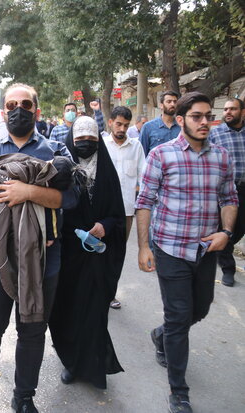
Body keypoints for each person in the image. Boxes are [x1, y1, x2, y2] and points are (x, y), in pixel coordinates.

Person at [0, 83, 78, 413]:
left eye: (25, 104)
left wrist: (27, 192)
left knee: (33, 329)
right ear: (3, 111)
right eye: (12, 105)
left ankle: (24, 396)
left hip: (43, 258)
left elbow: (73, 198)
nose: (18, 110)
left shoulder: (55, 151)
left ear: (36, 110)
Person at [135, 92, 237, 413]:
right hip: (170, 248)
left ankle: (161, 334)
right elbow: (144, 202)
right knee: (179, 316)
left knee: (201, 309)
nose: (205, 122)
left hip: (206, 250)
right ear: (180, 120)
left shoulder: (221, 156)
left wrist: (226, 233)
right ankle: (179, 391)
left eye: (209, 116)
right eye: (197, 116)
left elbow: (230, 196)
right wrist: (142, 247)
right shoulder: (161, 155)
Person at [49, 115, 126, 390]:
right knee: (66, 309)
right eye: (79, 140)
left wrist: (104, 226)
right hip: (68, 254)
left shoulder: (107, 172)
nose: (85, 145)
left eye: (91, 140)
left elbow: (117, 215)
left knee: (94, 312)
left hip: (98, 257)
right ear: (71, 140)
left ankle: (92, 366)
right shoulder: (62, 170)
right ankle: (70, 361)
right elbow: (52, 210)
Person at [103, 106, 146, 309]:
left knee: (117, 254)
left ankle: (110, 293)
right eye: (118, 124)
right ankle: (96, 291)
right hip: (102, 212)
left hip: (126, 212)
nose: (122, 129)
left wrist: (143, 206)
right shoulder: (101, 145)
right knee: (98, 252)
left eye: (126, 125)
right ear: (110, 122)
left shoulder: (136, 147)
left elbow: (143, 178)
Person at [209, 98, 245, 287]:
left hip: (244, 188)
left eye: (232, 109)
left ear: (243, 112)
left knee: (239, 228)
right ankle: (228, 268)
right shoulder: (215, 133)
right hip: (224, 189)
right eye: (225, 109)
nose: (228, 112)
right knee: (225, 227)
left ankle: (222, 248)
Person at [139, 90, 181, 156]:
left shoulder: (182, 126)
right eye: (169, 102)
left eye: (175, 102)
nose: (172, 104)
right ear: (161, 105)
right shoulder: (148, 127)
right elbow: (142, 154)